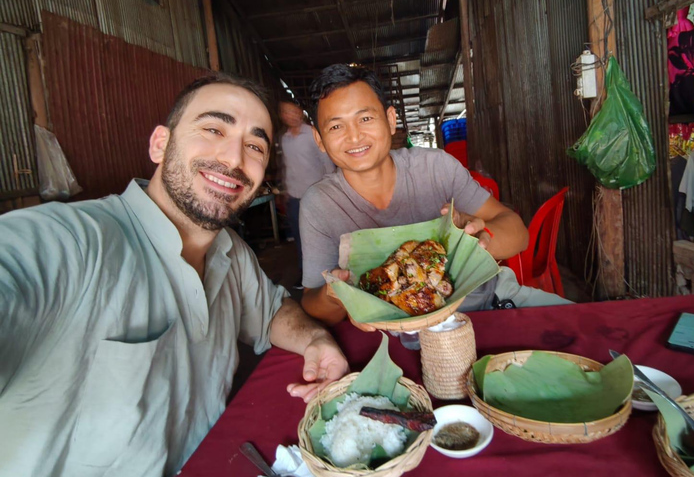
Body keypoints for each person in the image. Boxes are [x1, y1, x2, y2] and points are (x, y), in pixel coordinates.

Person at [0, 73, 349, 477]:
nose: (234, 159)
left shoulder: (230, 251)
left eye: (254, 145)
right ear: (160, 144)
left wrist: (315, 339)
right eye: (214, 128)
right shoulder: (74, 240)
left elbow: (271, 314)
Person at [299, 64, 572, 326]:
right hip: (391, 332)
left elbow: (518, 233)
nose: (354, 136)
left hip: (488, 305)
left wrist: (482, 237)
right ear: (319, 139)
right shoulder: (320, 204)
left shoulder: (436, 167)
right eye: (336, 126)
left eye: (365, 118)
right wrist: (333, 295)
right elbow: (312, 304)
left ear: (391, 120)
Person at [279, 101, 335, 287]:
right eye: (286, 112)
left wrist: (331, 186)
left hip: (317, 195)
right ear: (282, 116)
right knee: (300, 237)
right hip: (295, 197)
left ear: (300, 113)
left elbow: (326, 160)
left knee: (323, 235)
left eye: (294, 111)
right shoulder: (285, 138)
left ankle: (332, 273)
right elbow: (288, 166)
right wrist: (286, 190)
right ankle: (307, 276)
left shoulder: (312, 133)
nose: (291, 115)